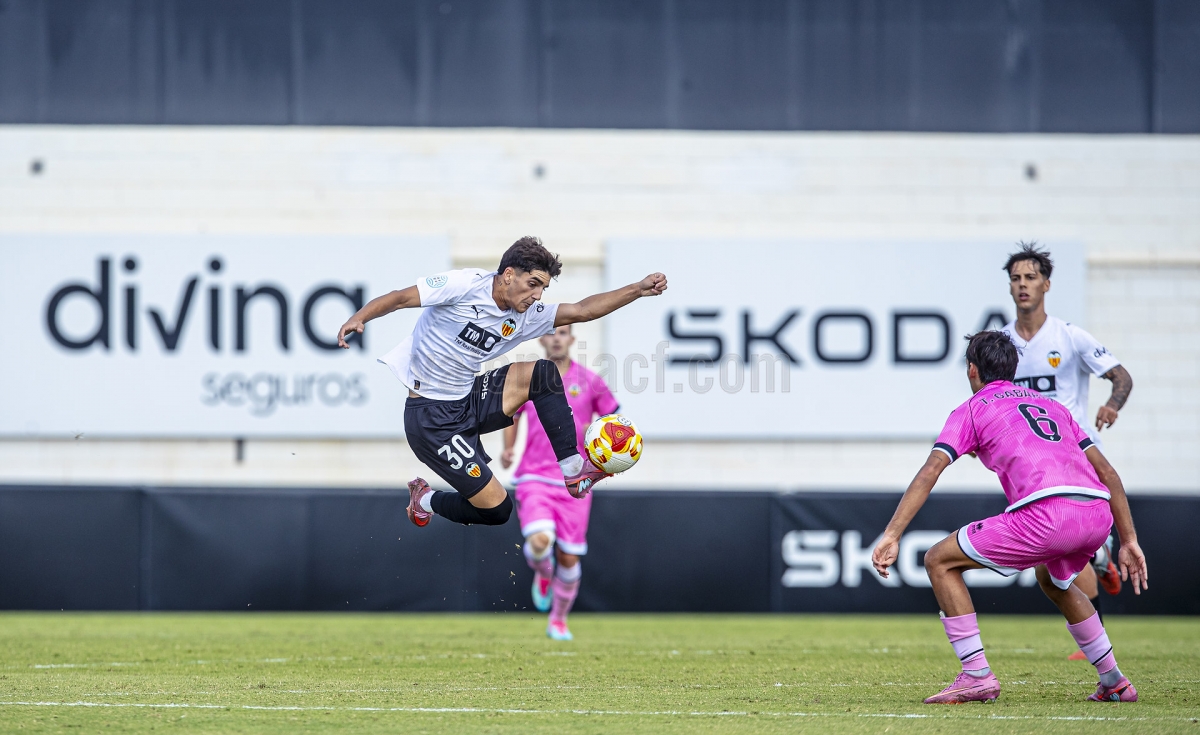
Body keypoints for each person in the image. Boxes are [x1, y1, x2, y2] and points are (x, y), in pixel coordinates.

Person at [871, 331, 1147, 705]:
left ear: (972, 370)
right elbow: (1109, 474)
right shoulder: (1054, 407)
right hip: (1097, 513)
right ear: (1013, 370)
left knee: (939, 560)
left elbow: (930, 470)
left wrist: (892, 533)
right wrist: (1128, 540)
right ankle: (1114, 680)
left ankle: (976, 675)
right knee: (1055, 581)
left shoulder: (972, 408)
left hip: (1046, 514)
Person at [335, 237, 666, 529]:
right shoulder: (464, 285)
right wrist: (359, 316)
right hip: (431, 422)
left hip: (469, 398)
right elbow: (401, 298)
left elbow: (581, 310)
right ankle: (424, 500)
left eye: (543, 289)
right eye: (533, 284)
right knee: (499, 511)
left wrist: (637, 289)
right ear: (509, 274)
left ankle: (573, 469)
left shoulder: (525, 315)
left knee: (544, 373)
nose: (537, 296)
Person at [1000, 242, 1134, 646]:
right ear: (1010, 288)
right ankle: (1100, 557)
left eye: (1030, 278)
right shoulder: (1003, 343)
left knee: (1064, 544)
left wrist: (1111, 404)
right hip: (1033, 459)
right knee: (1054, 549)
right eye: (1016, 279)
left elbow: (1121, 376)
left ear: (1046, 284)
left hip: (1076, 449)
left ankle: (1103, 553)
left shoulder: (1070, 336)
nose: (1023, 285)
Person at [500, 325, 618, 641]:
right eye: (551, 332)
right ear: (542, 339)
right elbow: (511, 415)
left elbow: (612, 421)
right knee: (540, 540)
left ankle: (559, 620)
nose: (556, 338)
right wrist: (508, 448)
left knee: (568, 557)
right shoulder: (529, 379)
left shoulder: (590, 381)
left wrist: (607, 451)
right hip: (534, 474)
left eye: (563, 332)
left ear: (571, 339)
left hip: (575, 479)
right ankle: (542, 573)